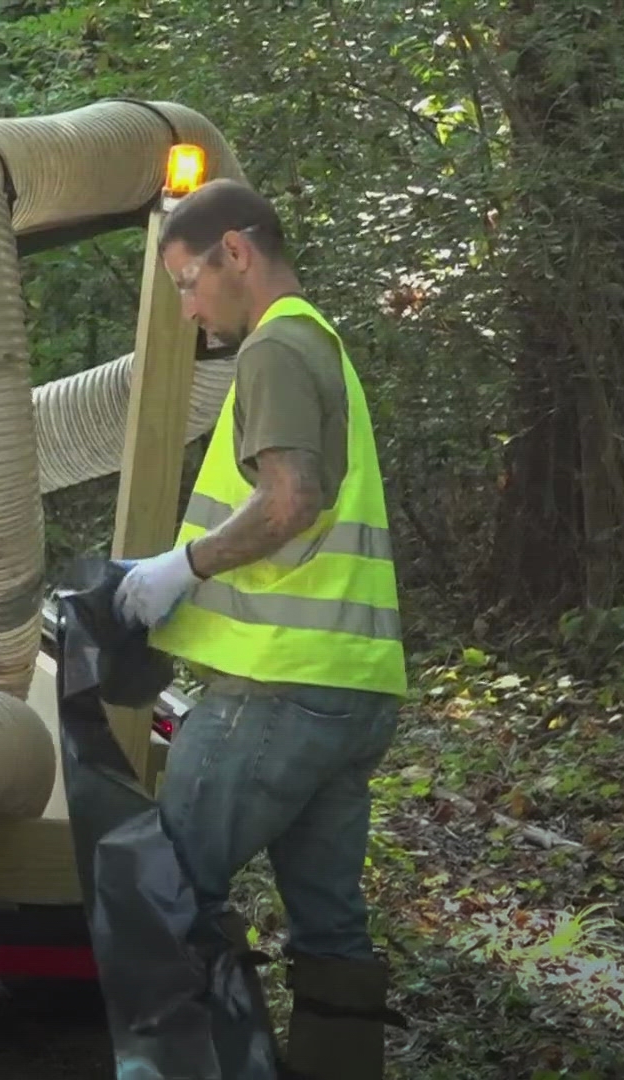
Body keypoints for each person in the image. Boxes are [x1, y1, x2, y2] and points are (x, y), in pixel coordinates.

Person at [113, 177, 407, 1080]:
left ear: (235, 252)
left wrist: (181, 567)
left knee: (162, 900)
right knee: (330, 929)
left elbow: (290, 502)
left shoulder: (276, 349)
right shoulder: (324, 343)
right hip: (350, 694)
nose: (194, 315)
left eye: (188, 284)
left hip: (274, 693)